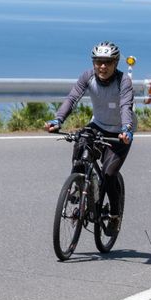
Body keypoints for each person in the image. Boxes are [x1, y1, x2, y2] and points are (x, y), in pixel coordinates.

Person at [44, 41, 134, 229]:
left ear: (115, 63)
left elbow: (126, 105)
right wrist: (57, 120)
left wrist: (126, 129)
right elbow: (72, 98)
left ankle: (114, 215)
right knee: (80, 146)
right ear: (93, 63)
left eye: (107, 62)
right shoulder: (87, 76)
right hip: (98, 125)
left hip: (120, 132)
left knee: (109, 175)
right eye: (98, 61)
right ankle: (78, 186)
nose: (102, 66)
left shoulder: (123, 80)